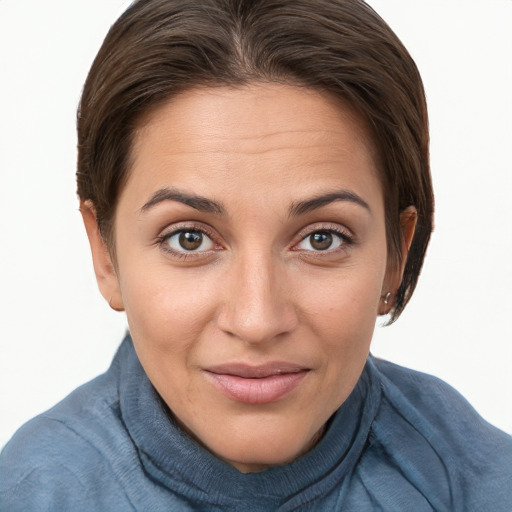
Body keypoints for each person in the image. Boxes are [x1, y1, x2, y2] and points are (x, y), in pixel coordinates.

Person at [0, 0, 510, 510]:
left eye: (321, 239)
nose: (257, 320)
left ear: (396, 255)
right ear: (105, 254)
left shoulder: (475, 485)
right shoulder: (32, 492)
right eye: (190, 239)